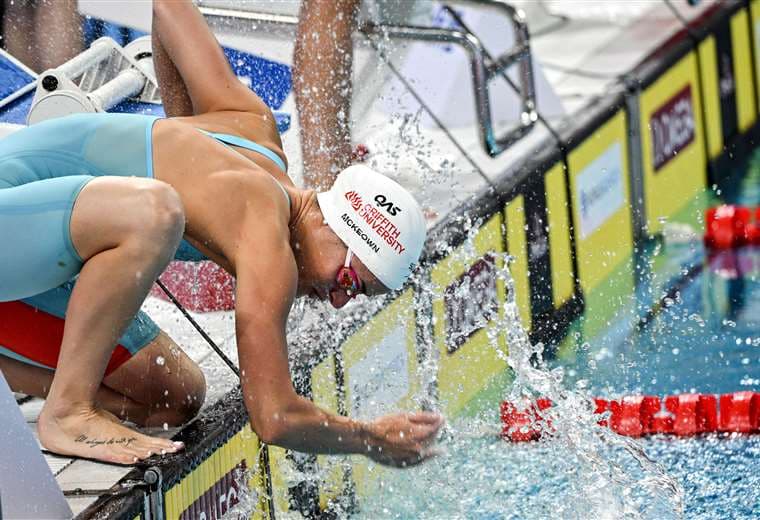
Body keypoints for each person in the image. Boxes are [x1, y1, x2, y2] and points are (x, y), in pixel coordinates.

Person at [0, 0, 443, 466]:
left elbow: (170, 9)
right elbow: (273, 417)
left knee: (175, 396)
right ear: (336, 227)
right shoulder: (267, 237)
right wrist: (368, 438)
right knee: (155, 211)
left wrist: (178, 123)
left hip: (34, 254)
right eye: (349, 283)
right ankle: (67, 412)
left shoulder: (255, 130)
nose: (335, 300)